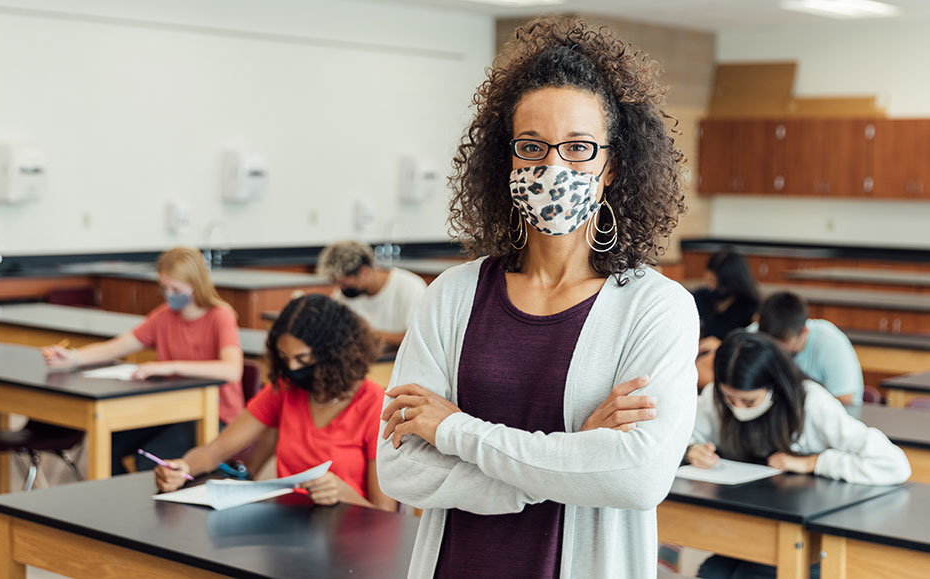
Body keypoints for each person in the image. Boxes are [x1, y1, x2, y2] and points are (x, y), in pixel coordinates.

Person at [376, 16, 698, 579]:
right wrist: (573, 457)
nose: (554, 167)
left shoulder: (656, 308)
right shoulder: (452, 296)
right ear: (507, 163)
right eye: (532, 147)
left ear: (610, 168)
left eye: (578, 148)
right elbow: (399, 470)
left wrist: (454, 431)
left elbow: (635, 479)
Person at [688, 331, 910, 578]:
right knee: (712, 573)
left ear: (774, 386)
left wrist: (815, 462)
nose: (737, 408)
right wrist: (693, 450)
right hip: (749, 527)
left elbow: (894, 464)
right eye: (730, 399)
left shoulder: (812, 404)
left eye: (749, 402)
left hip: (807, 534)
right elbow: (687, 432)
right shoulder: (716, 397)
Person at [155, 294, 397, 511]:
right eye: (284, 358)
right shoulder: (286, 389)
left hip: (350, 538)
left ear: (335, 356)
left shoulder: (374, 405)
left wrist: (342, 493)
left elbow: (385, 514)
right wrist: (183, 467)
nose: (292, 368)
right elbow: (216, 450)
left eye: (302, 359)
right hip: (289, 526)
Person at [42, 247, 244, 474]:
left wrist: (170, 367)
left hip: (216, 414)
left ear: (196, 285)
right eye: (165, 288)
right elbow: (117, 346)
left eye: (175, 289)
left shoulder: (220, 315)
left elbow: (232, 370)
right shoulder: (164, 316)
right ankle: (121, 503)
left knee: (151, 461)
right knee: (110, 443)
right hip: (174, 408)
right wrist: (73, 357)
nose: (169, 294)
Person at [753, 291, 864, 406]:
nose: (778, 351)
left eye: (783, 346)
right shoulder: (754, 337)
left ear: (804, 332)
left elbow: (845, 402)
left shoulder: (829, 343)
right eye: (772, 346)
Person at [317, 240, 427, 348]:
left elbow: (418, 338)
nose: (340, 288)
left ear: (364, 272)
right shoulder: (343, 295)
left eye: (344, 283)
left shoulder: (410, 288)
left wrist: (368, 334)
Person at [692, 250, 760, 341]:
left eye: (713, 281)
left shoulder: (750, 306)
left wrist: (720, 346)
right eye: (707, 278)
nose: (709, 285)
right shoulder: (701, 296)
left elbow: (753, 341)